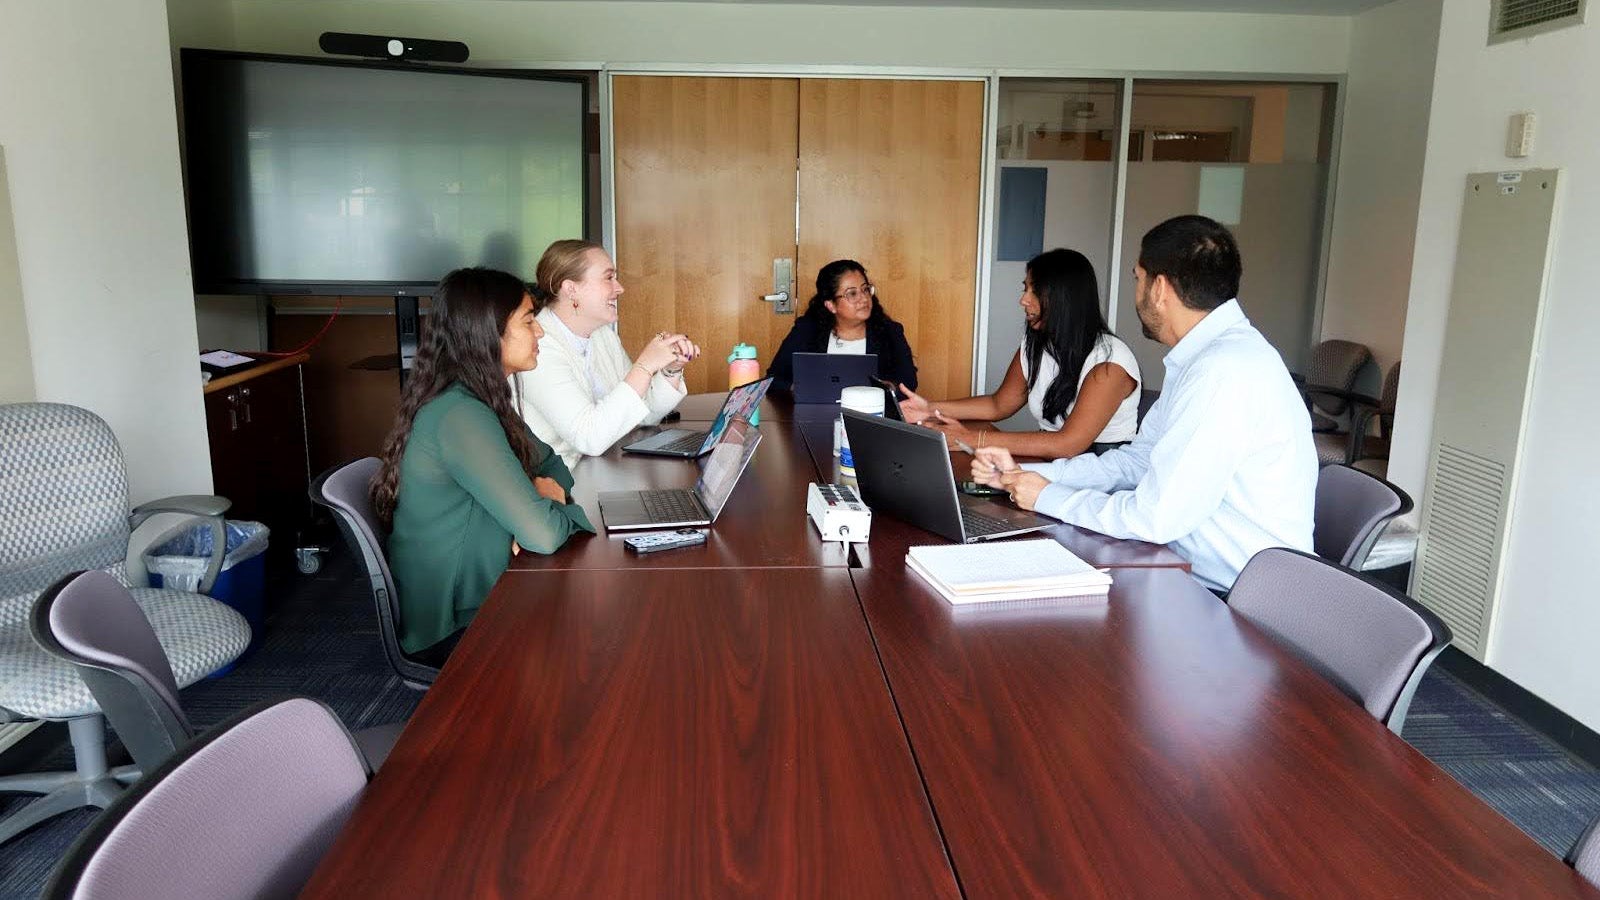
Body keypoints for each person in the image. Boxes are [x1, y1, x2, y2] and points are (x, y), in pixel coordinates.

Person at [972, 215, 1316, 593]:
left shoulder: (1223, 371)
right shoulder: (1205, 358)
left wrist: (1047, 495)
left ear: (1160, 289)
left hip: (1233, 599)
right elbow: (1138, 462)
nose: (1137, 291)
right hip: (1187, 572)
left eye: (1138, 278)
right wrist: (1024, 476)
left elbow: (1154, 518)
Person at [373, 267, 595, 663]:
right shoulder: (461, 415)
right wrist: (546, 507)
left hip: (487, 591)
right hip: (456, 625)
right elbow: (542, 535)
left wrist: (545, 498)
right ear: (488, 332)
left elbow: (552, 464)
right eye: (529, 320)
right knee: (592, 637)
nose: (540, 332)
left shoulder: (482, 399)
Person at [899, 248, 1140, 458]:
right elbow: (998, 405)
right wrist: (930, 408)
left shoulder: (1110, 363)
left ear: (1064, 299)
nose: (1023, 300)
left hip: (1101, 473)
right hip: (1052, 463)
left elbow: (1068, 444)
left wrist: (971, 439)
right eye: (1025, 289)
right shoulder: (1036, 345)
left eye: (1034, 291)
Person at [518, 240, 701, 468]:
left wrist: (670, 369)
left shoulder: (603, 336)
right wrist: (644, 366)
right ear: (570, 288)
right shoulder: (538, 346)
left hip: (603, 467)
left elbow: (640, 414)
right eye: (608, 277)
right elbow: (589, 438)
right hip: (564, 482)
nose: (619, 288)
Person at [766, 259, 918, 392]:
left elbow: (909, 382)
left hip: (871, 417)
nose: (864, 299)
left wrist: (887, 388)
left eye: (865, 289)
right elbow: (773, 379)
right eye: (852, 294)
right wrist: (801, 388)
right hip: (815, 416)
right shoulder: (807, 330)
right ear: (831, 305)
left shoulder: (890, 331)